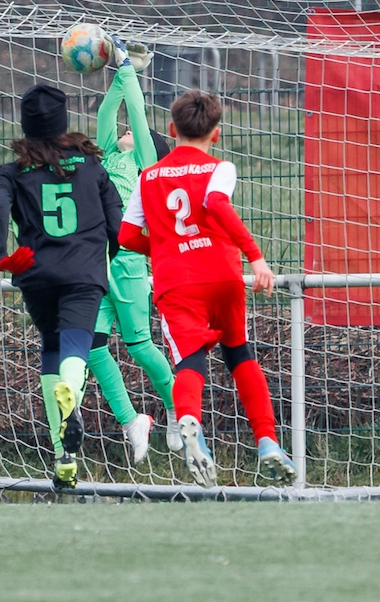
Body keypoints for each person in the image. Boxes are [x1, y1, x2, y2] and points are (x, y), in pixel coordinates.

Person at [118, 90, 296, 488]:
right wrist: (255, 257)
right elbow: (215, 203)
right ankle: (267, 441)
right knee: (239, 354)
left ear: (171, 130)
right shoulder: (221, 168)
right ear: (216, 133)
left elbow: (126, 235)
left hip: (177, 282)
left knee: (190, 362)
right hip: (222, 275)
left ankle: (190, 424)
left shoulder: (148, 177)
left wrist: (165, 248)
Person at [0, 83, 123, 489]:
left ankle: (63, 458)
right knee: (76, 346)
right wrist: (111, 249)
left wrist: (2, 254)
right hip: (83, 272)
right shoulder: (91, 165)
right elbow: (115, 217)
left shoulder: (13, 171)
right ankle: (72, 395)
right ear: (64, 121)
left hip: (37, 273)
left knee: (51, 346)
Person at [89, 36, 182, 464]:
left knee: (140, 345)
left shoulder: (146, 164)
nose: (127, 130)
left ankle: (178, 408)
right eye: (125, 132)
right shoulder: (108, 156)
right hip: (94, 263)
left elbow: (138, 117)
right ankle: (132, 421)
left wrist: (127, 69)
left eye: (135, 133)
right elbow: (107, 113)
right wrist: (117, 75)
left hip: (127, 263)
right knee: (93, 347)